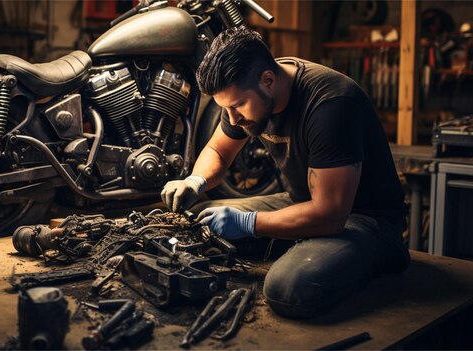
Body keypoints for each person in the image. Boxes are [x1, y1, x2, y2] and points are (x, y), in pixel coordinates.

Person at [160, 26, 410, 319]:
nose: (232, 119)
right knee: (201, 221)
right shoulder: (249, 92)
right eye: (225, 109)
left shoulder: (330, 103)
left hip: (364, 219)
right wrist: (195, 180)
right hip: (304, 203)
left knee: (288, 289)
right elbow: (219, 151)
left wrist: (249, 223)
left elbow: (330, 214)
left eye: (238, 106)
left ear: (267, 80)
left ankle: (378, 254)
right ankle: (304, 244)